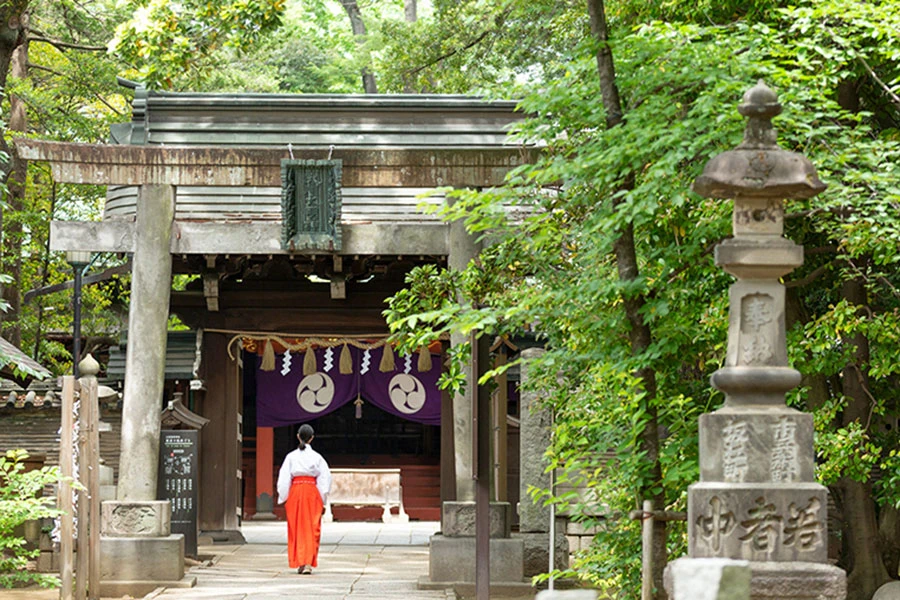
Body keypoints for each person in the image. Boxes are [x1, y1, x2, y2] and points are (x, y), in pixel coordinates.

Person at [276, 423, 332, 574]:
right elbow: (325, 479)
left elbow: (284, 478)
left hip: (296, 490)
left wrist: (284, 496)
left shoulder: (291, 457)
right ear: (312, 438)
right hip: (311, 491)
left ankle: (301, 561)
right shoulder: (317, 457)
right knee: (312, 527)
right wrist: (322, 499)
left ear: (298, 437)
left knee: (297, 528)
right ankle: (307, 562)